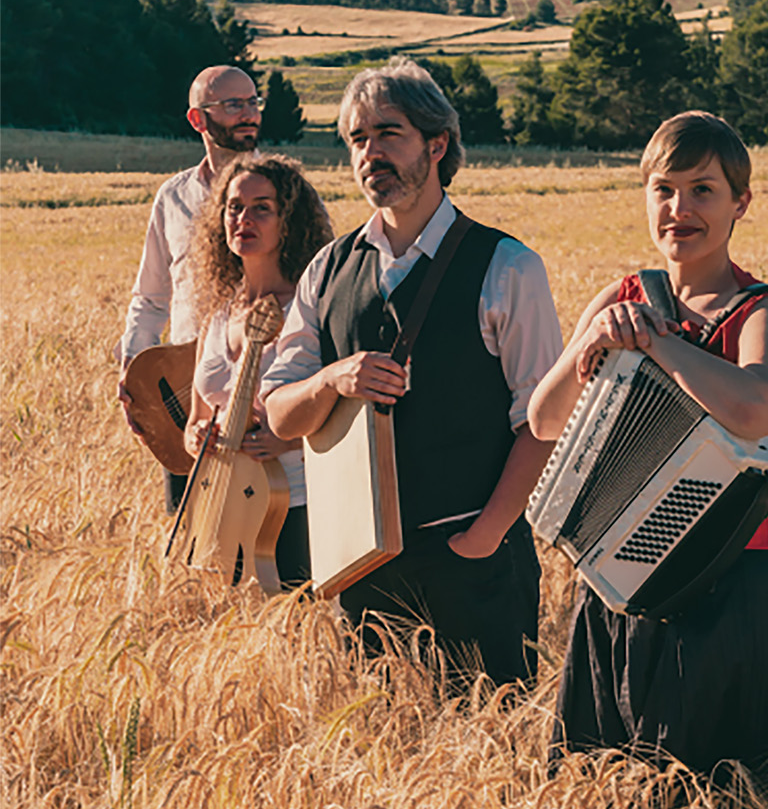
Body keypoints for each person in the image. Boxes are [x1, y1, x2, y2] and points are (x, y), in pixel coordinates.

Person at [529, 111, 768, 795]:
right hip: (621, 582)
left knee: (718, 807)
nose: (679, 209)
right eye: (663, 189)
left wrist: (657, 344)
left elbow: (755, 408)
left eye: (702, 190)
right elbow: (544, 419)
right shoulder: (623, 298)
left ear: (741, 203)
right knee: (608, 801)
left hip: (736, 589)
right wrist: (598, 336)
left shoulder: (764, 307)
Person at [263, 59, 562, 686]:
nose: (370, 152)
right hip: (362, 569)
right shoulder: (327, 269)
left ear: (437, 143)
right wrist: (331, 379)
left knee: (495, 757)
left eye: (387, 133)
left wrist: (484, 538)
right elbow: (280, 414)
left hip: (475, 562)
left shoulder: (507, 267)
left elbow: (543, 424)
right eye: (356, 139)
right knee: (385, 752)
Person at [117, 65, 263, 512]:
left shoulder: (291, 194)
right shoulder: (173, 198)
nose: (249, 114)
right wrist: (133, 376)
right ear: (198, 120)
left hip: (262, 398)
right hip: (182, 400)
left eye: (254, 101)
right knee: (187, 542)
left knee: (263, 540)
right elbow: (151, 297)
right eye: (234, 105)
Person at [183, 153, 333, 587]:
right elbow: (197, 416)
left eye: (261, 208)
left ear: (290, 221)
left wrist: (290, 441)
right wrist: (195, 437)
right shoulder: (217, 316)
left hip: (294, 504)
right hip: (219, 504)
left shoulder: (311, 309)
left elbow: (341, 412)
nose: (243, 219)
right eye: (233, 207)